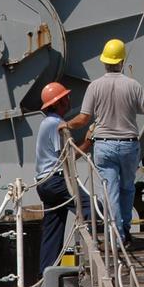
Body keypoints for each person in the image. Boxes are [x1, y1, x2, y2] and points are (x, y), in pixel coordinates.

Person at [61, 39, 144, 243]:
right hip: (129, 145)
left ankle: (117, 235)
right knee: (127, 188)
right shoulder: (133, 85)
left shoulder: (95, 87)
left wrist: (66, 125)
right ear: (122, 61)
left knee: (109, 189)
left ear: (104, 61)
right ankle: (124, 230)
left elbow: (83, 119)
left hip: (104, 145)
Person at [34, 82, 91, 271]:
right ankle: (111, 247)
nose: (68, 101)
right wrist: (88, 142)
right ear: (57, 103)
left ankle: (46, 275)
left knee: (53, 230)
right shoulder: (55, 124)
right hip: (57, 180)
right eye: (65, 98)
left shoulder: (45, 122)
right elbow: (67, 159)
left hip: (44, 183)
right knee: (92, 208)